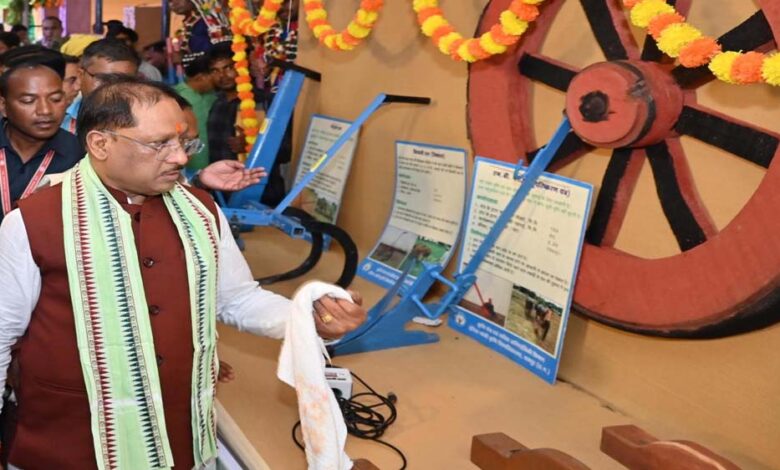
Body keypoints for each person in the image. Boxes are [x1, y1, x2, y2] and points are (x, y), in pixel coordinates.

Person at [0, 76, 365, 469]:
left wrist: (310, 317)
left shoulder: (201, 211)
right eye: (160, 144)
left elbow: (237, 299)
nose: (179, 157)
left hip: (180, 438)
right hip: (66, 443)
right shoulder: (32, 222)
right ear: (100, 144)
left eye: (183, 142)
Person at [0, 47, 83, 225]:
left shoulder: (79, 156)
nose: (45, 111)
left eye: (55, 99)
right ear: (3, 106)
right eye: (28, 101)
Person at [61, 38, 140, 133]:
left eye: (124, 81)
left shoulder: (144, 123)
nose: (113, 88)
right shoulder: (58, 115)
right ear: (81, 75)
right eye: (104, 79)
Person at [175, 55, 216, 171]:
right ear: (201, 77)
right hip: (192, 160)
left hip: (211, 159)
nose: (218, 78)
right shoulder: (179, 97)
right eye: (214, 74)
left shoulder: (211, 95)